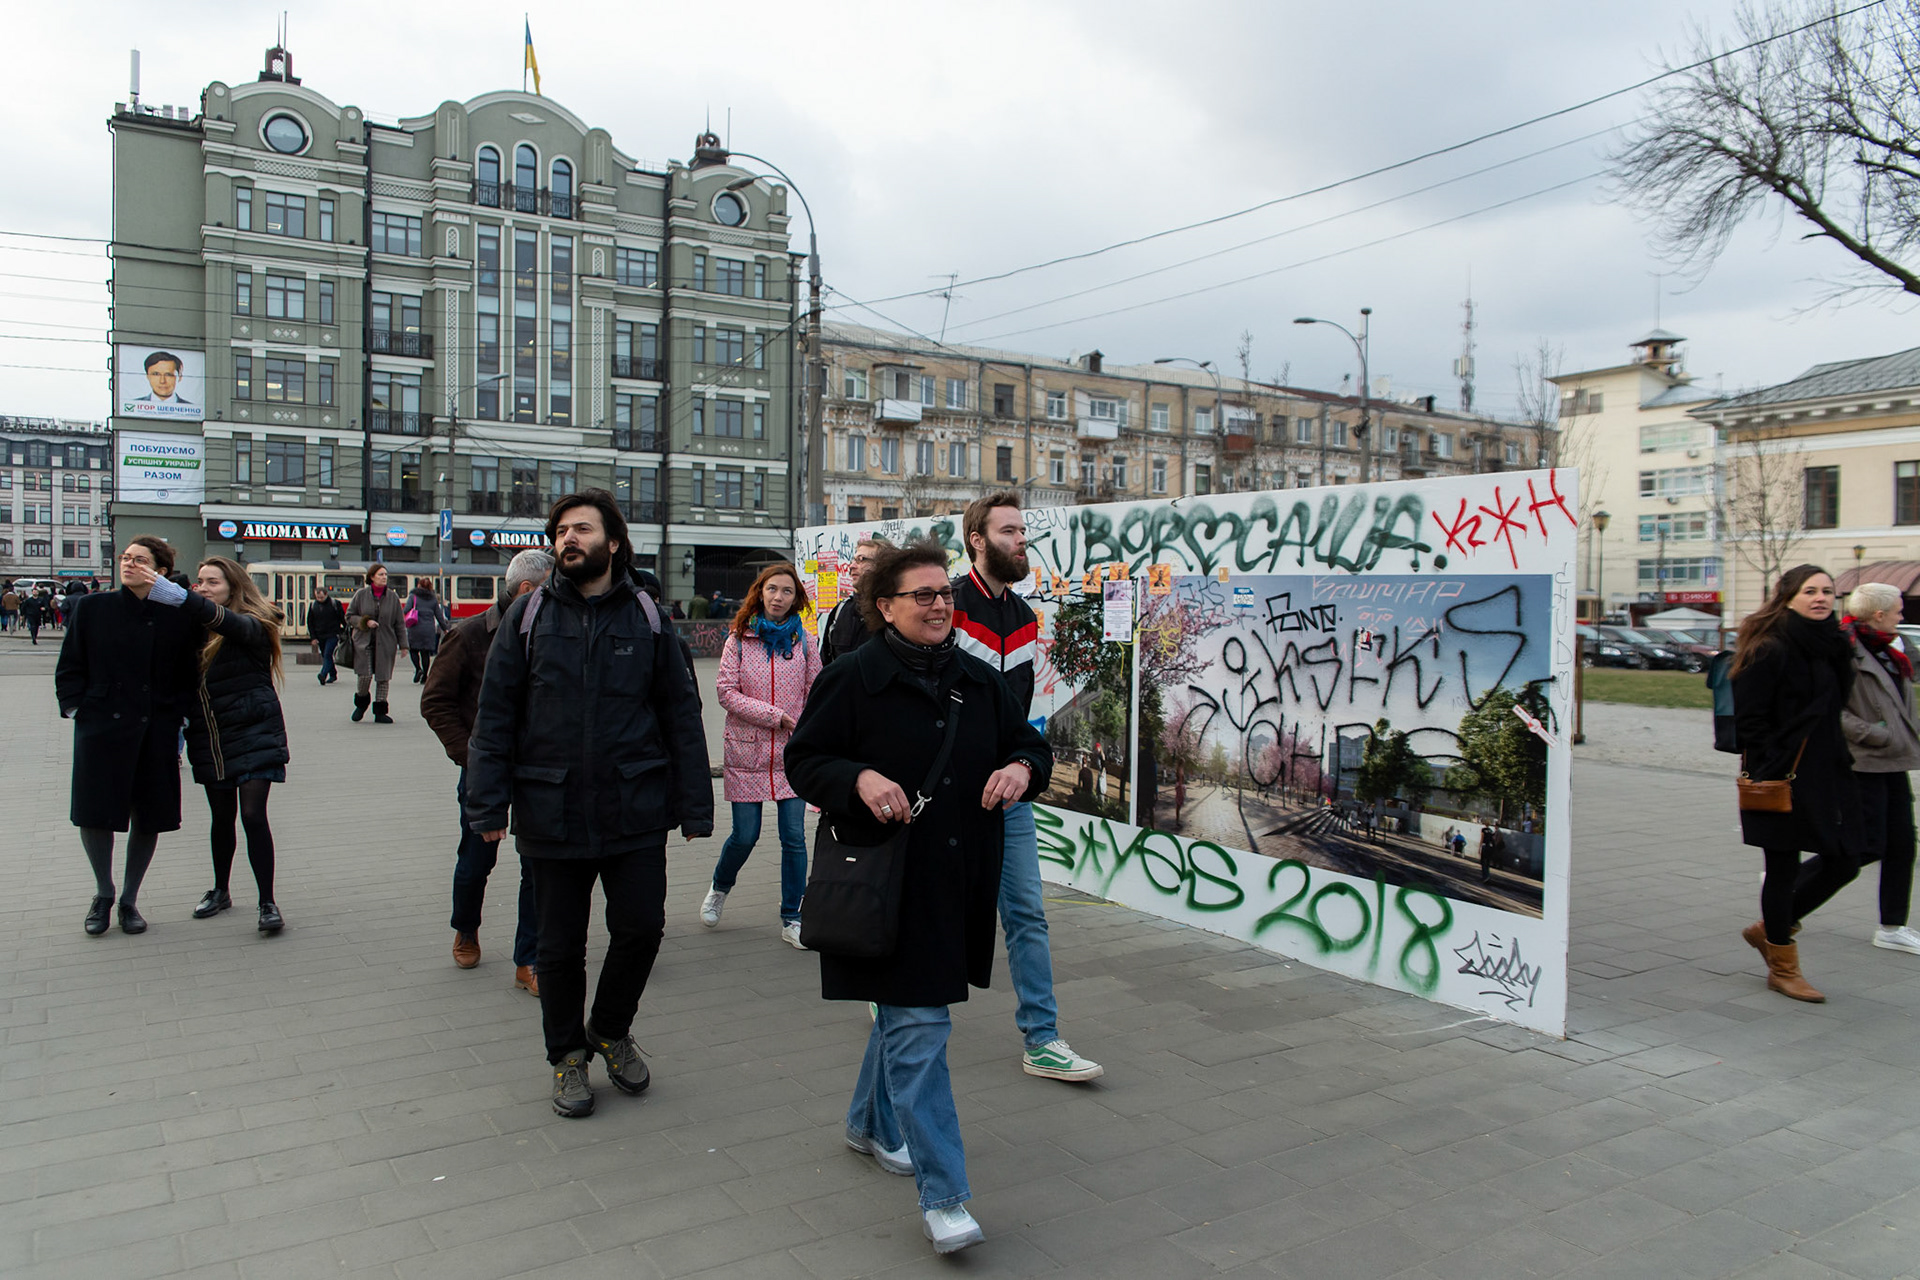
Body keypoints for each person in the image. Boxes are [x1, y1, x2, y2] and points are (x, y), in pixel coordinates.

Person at [785, 539, 1052, 1256]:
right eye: (924, 595)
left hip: (954, 886)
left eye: (946, 594)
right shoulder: (850, 680)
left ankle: (868, 1124)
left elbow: (1030, 746)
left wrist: (1023, 770)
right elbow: (805, 759)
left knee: (906, 1017)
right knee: (921, 1029)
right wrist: (858, 779)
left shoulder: (977, 680)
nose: (941, 605)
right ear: (885, 607)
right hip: (883, 884)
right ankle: (944, 1197)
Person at [465, 490, 713, 1119]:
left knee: (641, 929)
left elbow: (681, 713)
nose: (567, 538)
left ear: (614, 543)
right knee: (558, 947)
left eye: (581, 528)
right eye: (560, 531)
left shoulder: (649, 617)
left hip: (634, 805)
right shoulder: (528, 619)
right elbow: (493, 721)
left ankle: (608, 1028)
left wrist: (694, 806)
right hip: (551, 810)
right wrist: (487, 807)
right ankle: (566, 1058)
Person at [951, 490, 1104, 1083]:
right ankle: (894, 996)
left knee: (1026, 915)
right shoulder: (946, 605)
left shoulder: (1024, 618)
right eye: (1011, 531)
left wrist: (1019, 761)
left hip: (1007, 797)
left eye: (1023, 531)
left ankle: (1042, 1038)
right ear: (978, 540)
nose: (1022, 541)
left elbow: (1019, 715)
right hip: (945, 796)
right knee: (928, 906)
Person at [54, 537, 203, 935]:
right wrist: (78, 709)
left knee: (149, 814)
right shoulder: (92, 607)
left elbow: (188, 673)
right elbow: (70, 666)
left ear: (161, 572)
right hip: (101, 727)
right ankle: (103, 894)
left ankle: (129, 900)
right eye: (126, 558)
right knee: (95, 811)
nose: (130, 564)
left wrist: (178, 716)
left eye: (140, 560)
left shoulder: (178, 615)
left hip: (155, 727)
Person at [423, 549, 553, 994]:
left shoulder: (552, 633)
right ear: (527, 591)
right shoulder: (470, 634)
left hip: (539, 770)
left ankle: (528, 960)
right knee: (477, 859)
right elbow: (435, 702)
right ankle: (466, 928)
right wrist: (471, 755)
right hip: (486, 769)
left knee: (537, 866)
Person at [1733, 564, 1862, 1003]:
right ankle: (1783, 966)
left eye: (1828, 591)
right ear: (1787, 596)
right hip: (1782, 774)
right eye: (1810, 591)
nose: (1821, 598)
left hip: (1829, 769)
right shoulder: (1769, 647)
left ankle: (1769, 929)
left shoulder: (1832, 646)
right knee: (1783, 868)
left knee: (1847, 858)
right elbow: (1749, 721)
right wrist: (1775, 762)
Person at [164, 557, 291, 934]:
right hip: (212, 736)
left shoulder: (254, 623)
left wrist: (181, 597)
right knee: (222, 819)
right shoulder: (192, 628)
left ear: (233, 588)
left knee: (252, 816)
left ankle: (267, 902)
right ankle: (221, 889)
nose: (202, 588)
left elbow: (230, 624)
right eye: (199, 582)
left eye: (212, 583)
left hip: (254, 731)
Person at [700, 563, 822, 947]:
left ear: (796, 598)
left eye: (787, 591)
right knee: (745, 835)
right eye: (772, 589)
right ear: (760, 592)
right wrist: (774, 716)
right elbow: (725, 692)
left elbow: (815, 692)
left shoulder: (805, 641)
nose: (778, 597)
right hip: (747, 750)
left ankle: (793, 917)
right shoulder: (739, 638)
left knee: (794, 837)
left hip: (791, 752)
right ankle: (720, 888)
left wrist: (801, 725)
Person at [1839, 582, 1920, 956]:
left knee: (1903, 844)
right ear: (1879, 614)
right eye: (1899, 611)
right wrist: (1872, 733)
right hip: (1865, 760)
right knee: (1870, 845)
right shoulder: (1844, 650)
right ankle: (1791, 886)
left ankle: (1892, 926)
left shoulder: (1893, 650)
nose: (1902, 617)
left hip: (1894, 760)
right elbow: (1830, 710)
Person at [347, 564, 407, 723]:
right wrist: (364, 622)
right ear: (372, 577)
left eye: (385, 575)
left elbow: (399, 623)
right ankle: (361, 703)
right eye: (380, 574)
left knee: (383, 678)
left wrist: (404, 645)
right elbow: (349, 616)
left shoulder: (392, 597)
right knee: (365, 676)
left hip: (386, 643)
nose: (384, 577)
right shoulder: (361, 595)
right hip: (364, 643)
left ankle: (380, 712)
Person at [820, 537, 887, 664]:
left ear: (883, 565)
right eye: (853, 560)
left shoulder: (895, 611)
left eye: (861, 560)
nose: (852, 566)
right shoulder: (840, 611)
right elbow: (825, 661)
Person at [405, 577, 450, 684]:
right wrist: (445, 629)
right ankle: (425, 676)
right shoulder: (433, 599)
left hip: (415, 627)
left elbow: (406, 609)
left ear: (419, 586)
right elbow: (439, 616)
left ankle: (418, 669)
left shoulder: (413, 597)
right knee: (425, 653)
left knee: (413, 650)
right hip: (429, 629)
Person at [306, 586, 346, 685]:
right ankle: (333, 674)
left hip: (333, 633)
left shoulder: (335, 604)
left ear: (326, 595)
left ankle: (323, 674)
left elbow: (343, 619)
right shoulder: (313, 605)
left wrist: (345, 631)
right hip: (320, 635)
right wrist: (313, 637)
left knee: (328, 654)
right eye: (317, 597)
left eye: (321, 597)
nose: (319, 599)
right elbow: (310, 623)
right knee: (325, 655)